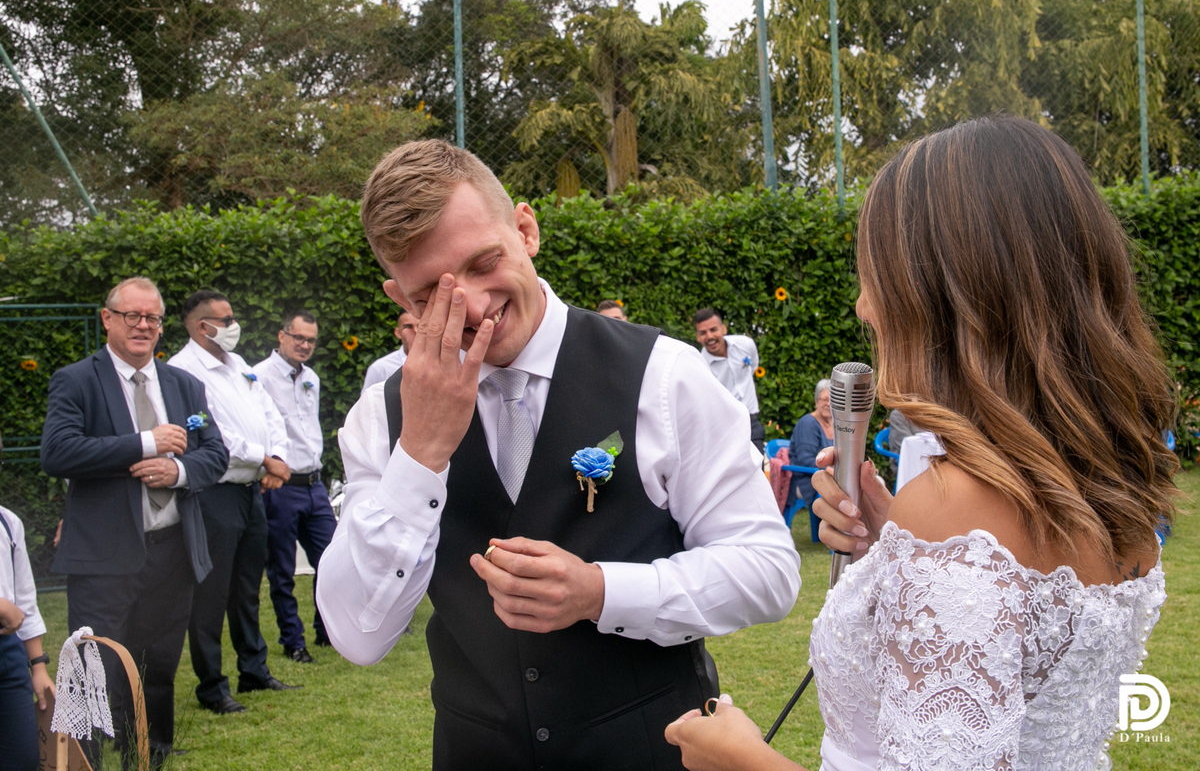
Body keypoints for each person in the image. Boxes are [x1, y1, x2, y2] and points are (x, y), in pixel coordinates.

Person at [664, 116, 1177, 770]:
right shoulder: (1110, 477)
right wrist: (895, 547)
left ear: (944, 294)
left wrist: (740, 757)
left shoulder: (954, 509)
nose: (861, 306)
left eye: (875, 275)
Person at [316, 139, 800, 770]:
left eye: (485, 261)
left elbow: (769, 573)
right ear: (398, 299)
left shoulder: (664, 374)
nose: (474, 304)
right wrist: (420, 455)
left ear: (526, 229)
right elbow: (358, 634)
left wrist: (602, 592)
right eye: (430, 295)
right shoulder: (380, 418)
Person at [40, 277, 229, 766]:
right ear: (108, 319)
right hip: (105, 555)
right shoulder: (77, 379)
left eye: (153, 318)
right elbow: (58, 452)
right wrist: (147, 443)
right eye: (133, 316)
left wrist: (179, 469)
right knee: (93, 667)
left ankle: (149, 752)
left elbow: (216, 454)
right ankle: (87, 759)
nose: (144, 326)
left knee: (159, 663)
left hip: (173, 551)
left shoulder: (184, 385)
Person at [169, 291, 298, 715]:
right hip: (213, 493)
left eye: (232, 317)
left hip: (250, 491)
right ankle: (212, 685)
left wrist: (276, 458)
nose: (232, 326)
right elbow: (214, 436)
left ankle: (254, 669)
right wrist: (264, 460)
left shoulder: (240, 366)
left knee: (246, 586)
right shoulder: (182, 371)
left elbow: (269, 415)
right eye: (224, 320)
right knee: (210, 591)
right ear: (198, 325)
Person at [252, 310, 337, 664]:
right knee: (283, 569)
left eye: (311, 340)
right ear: (281, 336)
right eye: (298, 337)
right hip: (282, 486)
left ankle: (327, 631)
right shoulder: (258, 376)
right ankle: (293, 640)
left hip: (314, 484)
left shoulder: (312, 377)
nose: (304, 345)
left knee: (332, 561)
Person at [1, 439, 56, 771]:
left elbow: (25, 601)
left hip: (9, 656)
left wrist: (38, 666)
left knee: (22, 758)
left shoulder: (9, 523)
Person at [694, 308, 764, 453]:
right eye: (703, 333)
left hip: (752, 422)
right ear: (698, 337)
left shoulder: (746, 344)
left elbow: (753, 367)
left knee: (759, 473)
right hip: (725, 430)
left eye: (713, 329)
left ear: (723, 329)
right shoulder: (700, 367)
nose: (709, 336)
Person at [788, 379, 833, 513]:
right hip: (806, 479)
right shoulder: (808, 423)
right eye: (824, 399)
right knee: (849, 491)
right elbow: (805, 459)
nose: (828, 403)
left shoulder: (837, 425)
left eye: (832, 400)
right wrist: (829, 470)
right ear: (816, 402)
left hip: (829, 477)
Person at [361, 309, 419, 394]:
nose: (416, 331)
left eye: (421, 326)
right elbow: (366, 404)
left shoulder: (439, 363)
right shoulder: (380, 368)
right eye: (408, 327)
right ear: (398, 333)